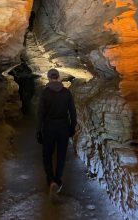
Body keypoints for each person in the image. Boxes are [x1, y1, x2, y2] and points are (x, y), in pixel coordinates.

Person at [36, 68, 77, 201]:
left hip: (49, 127)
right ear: (58, 77)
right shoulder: (66, 92)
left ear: (49, 78)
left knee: (47, 154)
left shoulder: (45, 93)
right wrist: (72, 127)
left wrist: (38, 130)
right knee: (61, 154)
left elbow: (40, 114)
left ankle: (51, 180)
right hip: (63, 127)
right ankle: (58, 180)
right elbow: (72, 112)